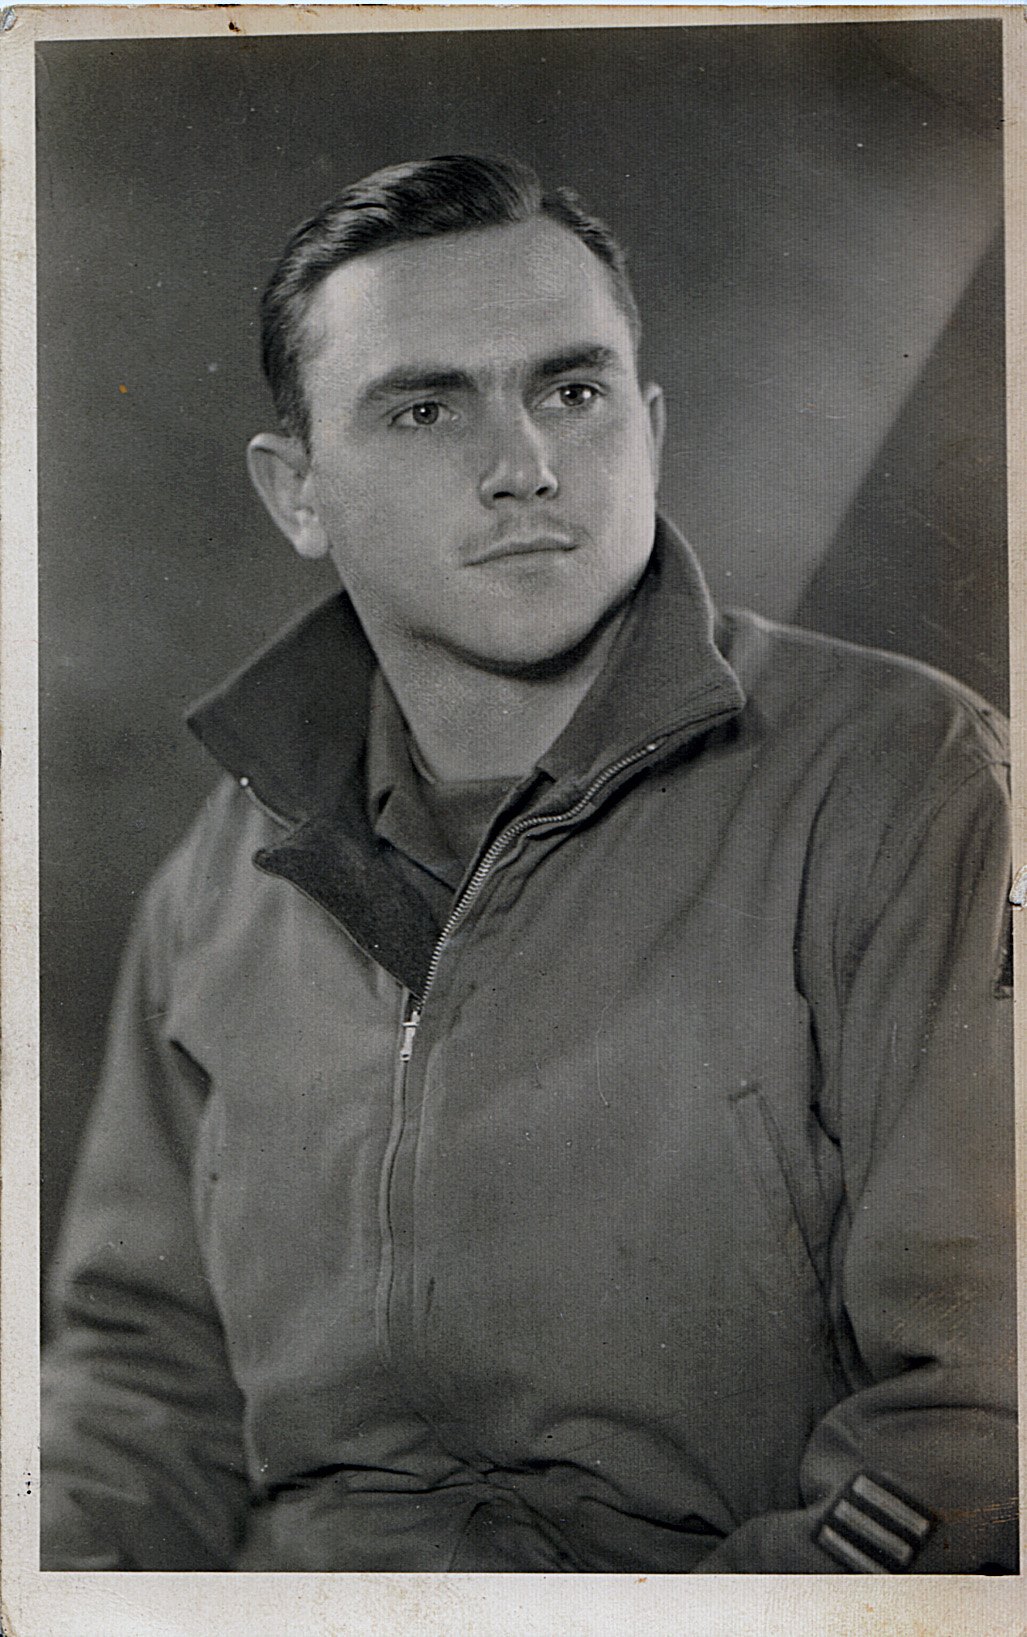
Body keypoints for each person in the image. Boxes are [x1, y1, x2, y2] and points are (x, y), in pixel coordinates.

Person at [42, 154, 1017, 1575]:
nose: (527, 466)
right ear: (298, 492)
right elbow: (137, 1392)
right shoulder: (225, 872)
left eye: (572, 391)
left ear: (651, 429)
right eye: (426, 408)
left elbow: (977, 1421)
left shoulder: (903, 783)